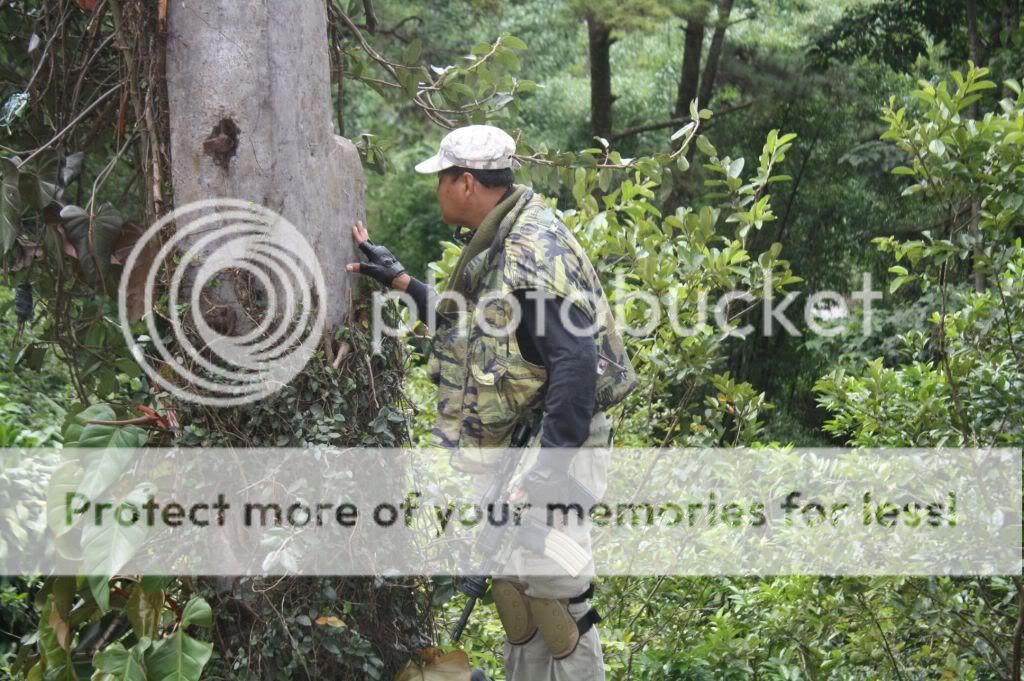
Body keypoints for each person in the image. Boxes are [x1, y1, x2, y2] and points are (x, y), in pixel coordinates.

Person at [346, 124, 637, 681]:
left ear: (467, 183)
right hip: (521, 453)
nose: (438, 190)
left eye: (442, 179)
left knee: (558, 603)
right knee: (515, 596)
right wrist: (404, 283)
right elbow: (481, 330)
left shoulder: (531, 253)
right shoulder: (504, 238)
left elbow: (576, 368)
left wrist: (547, 474)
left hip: (554, 453)